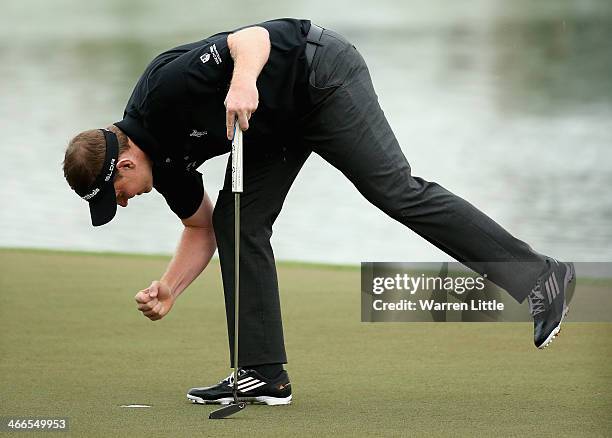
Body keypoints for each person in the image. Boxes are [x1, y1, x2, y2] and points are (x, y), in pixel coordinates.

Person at [62, 18, 575, 406]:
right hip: (270, 125)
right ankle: (262, 372)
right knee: (236, 221)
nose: (126, 202)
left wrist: (242, 83)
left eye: (119, 194)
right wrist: (171, 286)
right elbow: (201, 229)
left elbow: (253, 38)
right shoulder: (165, 168)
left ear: (125, 162)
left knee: (395, 191)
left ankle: (541, 278)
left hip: (319, 75)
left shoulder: (165, 90)